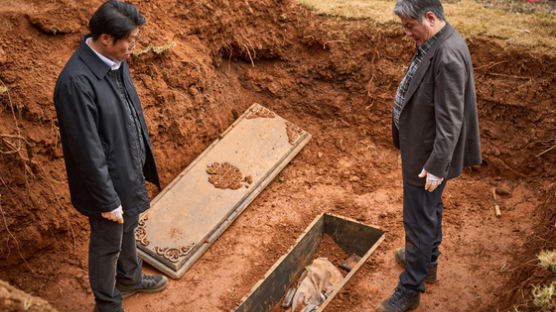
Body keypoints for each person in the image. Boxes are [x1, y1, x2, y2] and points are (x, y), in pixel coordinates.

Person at [53, 1, 167, 311]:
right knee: (107, 244)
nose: (134, 46)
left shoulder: (115, 60)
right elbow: (86, 151)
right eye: (130, 40)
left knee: (129, 226)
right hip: (106, 185)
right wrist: (107, 200)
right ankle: (107, 303)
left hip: (126, 170)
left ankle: (129, 278)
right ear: (105, 38)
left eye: (136, 39)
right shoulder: (77, 83)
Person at [379, 0, 482, 311]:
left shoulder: (447, 53)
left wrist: (436, 167)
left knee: (418, 222)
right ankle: (429, 263)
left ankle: (410, 289)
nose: (408, 33)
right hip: (425, 150)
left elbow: (451, 120)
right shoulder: (437, 40)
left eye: (411, 27)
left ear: (430, 17)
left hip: (427, 159)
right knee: (429, 212)